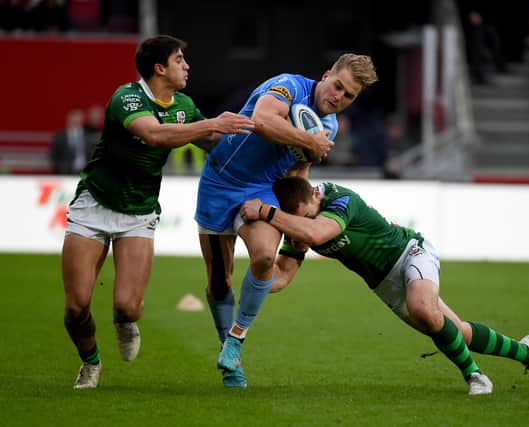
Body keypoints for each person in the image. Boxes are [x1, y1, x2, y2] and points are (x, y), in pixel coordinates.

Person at [239, 176, 529, 395]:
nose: (303, 224)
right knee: (454, 331)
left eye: (306, 216)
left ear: (314, 195)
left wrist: (267, 213)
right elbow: (281, 277)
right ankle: (526, 352)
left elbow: (319, 234)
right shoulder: (298, 224)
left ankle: (476, 376)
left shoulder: (339, 199)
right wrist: (255, 277)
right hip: (383, 283)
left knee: (424, 310)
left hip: (410, 253)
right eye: (298, 221)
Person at [61, 34, 255, 390]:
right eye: (179, 59)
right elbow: (155, 135)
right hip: (94, 205)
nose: (187, 65)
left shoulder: (183, 103)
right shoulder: (127, 97)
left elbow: (213, 143)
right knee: (76, 307)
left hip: (139, 213)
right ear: (159, 68)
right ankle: (90, 363)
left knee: (128, 307)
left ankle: (125, 321)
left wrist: (264, 140)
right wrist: (213, 122)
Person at [194, 53, 378, 388]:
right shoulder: (288, 86)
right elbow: (263, 120)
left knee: (265, 256)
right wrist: (310, 141)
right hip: (220, 183)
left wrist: (300, 216)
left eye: (349, 95)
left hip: (263, 190)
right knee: (220, 282)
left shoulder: (330, 126)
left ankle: (235, 343)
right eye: (338, 86)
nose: (339, 97)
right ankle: (227, 353)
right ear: (326, 76)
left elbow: (297, 172)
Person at [50, 107, 94, 175]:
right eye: (74, 116)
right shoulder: (60, 136)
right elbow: (53, 156)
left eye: (79, 117)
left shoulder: (89, 136)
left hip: (86, 173)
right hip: (65, 173)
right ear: (69, 118)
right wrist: (61, 168)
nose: (76, 119)